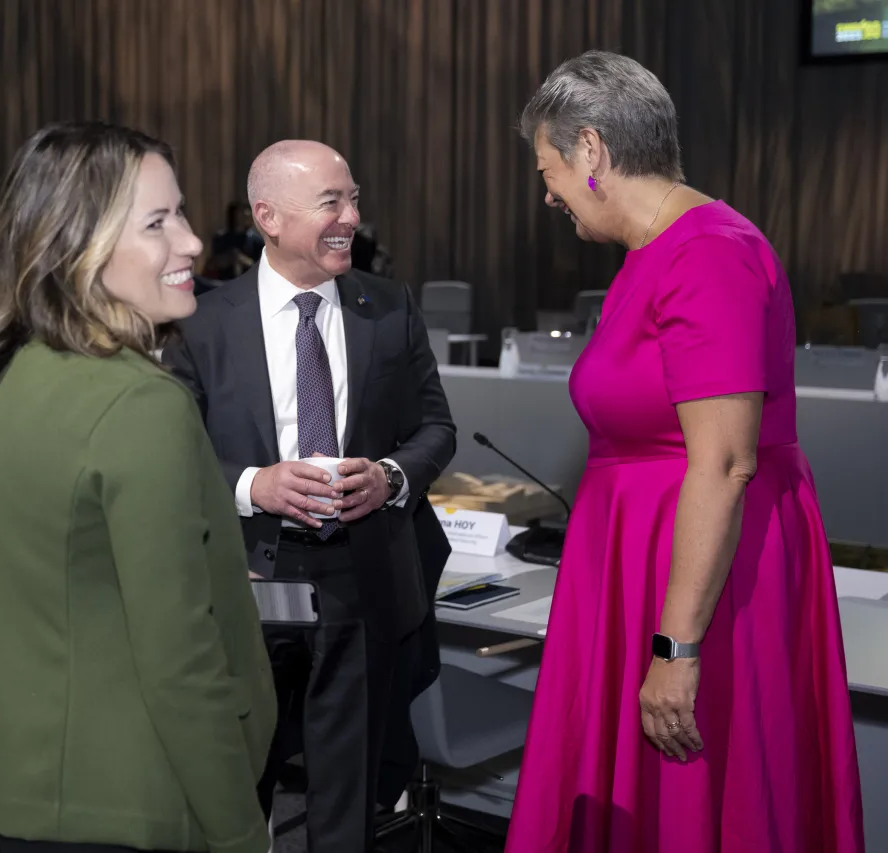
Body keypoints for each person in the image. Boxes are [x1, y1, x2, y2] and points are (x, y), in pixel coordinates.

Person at [505, 51, 864, 853]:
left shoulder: (709, 252)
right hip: (640, 563)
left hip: (702, 584)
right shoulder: (651, 251)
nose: (548, 191)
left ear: (592, 150)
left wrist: (677, 647)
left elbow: (727, 462)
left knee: (699, 798)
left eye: (550, 167)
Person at [0, 120, 276, 853]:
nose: (191, 242)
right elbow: (179, 656)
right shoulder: (142, 405)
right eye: (158, 222)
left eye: (180, 213)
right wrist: (242, 830)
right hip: (128, 798)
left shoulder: (10, 378)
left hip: (5, 783)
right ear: (78, 248)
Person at [163, 140, 456, 853]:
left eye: (353, 199)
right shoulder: (199, 318)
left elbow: (435, 427)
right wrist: (251, 485)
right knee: (233, 784)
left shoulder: (388, 306)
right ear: (268, 215)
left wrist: (390, 476)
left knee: (346, 796)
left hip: (360, 576)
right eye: (333, 202)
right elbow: (173, 447)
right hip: (243, 579)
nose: (352, 217)